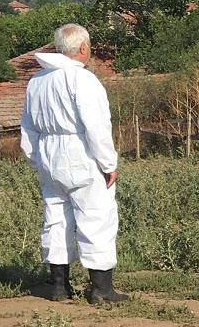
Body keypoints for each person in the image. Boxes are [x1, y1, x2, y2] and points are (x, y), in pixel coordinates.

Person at [20, 23, 128, 303]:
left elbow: (28, 127)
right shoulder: (82, 79)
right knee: (96, 216)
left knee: (55, 218)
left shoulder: (37, 81)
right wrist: (108, 163)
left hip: (48, 153)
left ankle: (59, 287)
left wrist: (36, 159)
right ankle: (102, 290)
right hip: (79, 152)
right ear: (83, 48)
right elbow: (96, 126)